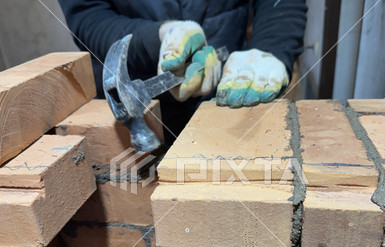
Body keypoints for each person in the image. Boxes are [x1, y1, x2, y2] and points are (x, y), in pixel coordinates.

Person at [59, 0, 307, 145]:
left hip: (231, 84)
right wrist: (161, 37)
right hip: (146, 90)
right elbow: (88, 14)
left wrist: (272, 46)